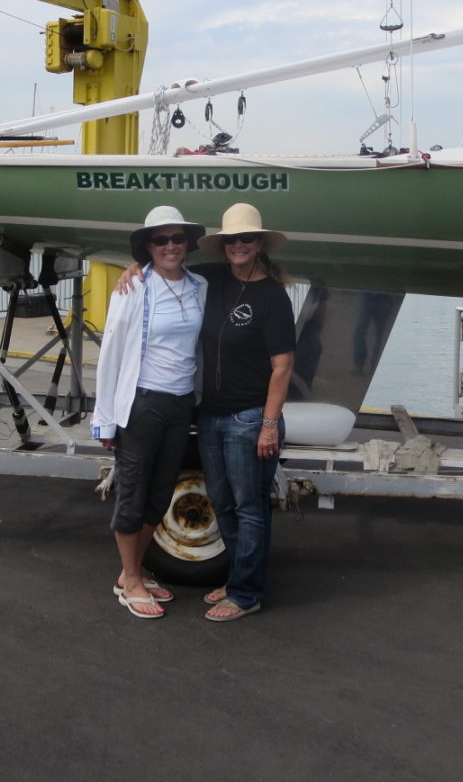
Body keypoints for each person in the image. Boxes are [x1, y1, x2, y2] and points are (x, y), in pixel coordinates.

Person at [91, 205, 207, 619]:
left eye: (177, 239)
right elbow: (112, 352)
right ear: (149, 247)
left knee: (159, 495)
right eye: (161, 240)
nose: (171, 246)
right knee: (133, 493)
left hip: (180, 404)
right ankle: (130, 581)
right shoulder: (134, 287)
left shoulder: (200, 286)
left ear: (188, 244)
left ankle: (133, 571)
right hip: (142, 403)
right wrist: (104, 418)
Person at [192, 203, 296, 622]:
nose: (239, 246)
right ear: (223, 246)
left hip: (250, 418)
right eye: (232, 240)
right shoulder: (213, 278)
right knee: (223, 503)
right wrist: (132, 272)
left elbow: (283, 366)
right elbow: (166, 266)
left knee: (250, 507)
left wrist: (269, 426)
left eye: (247, 239)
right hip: (211, 414)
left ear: (259, 245)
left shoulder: (272, 296)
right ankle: (238, 578)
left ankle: (247, 592)